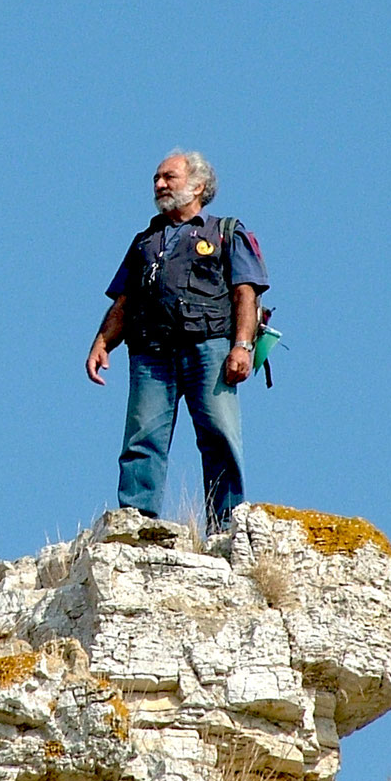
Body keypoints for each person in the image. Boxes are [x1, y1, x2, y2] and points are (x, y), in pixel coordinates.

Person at [86, 149, 268, 534]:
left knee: (220, 439)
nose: (159, 185)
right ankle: (136, 524)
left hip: (210, 348)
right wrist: (103, 341)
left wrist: (242, 346)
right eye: (156, 178)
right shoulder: (145, 241)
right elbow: (125, 300)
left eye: (169, 177)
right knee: (142, 439)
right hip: (152, 354)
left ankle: (225, 529)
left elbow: (245, 294)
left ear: (198, 186)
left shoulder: (226, 231)